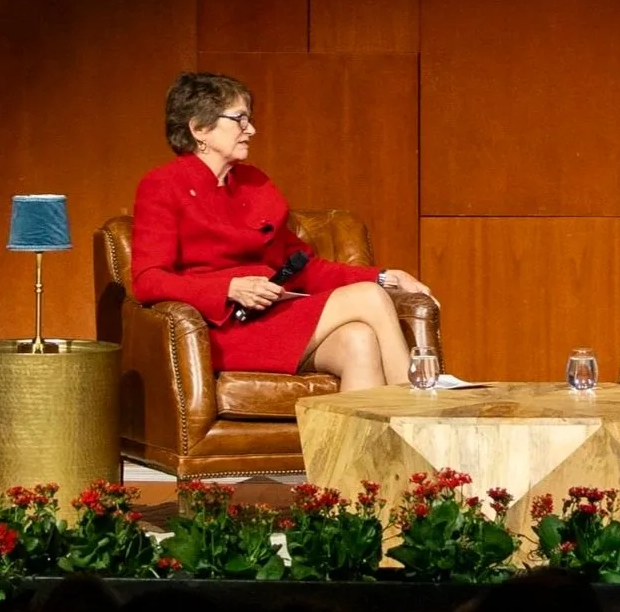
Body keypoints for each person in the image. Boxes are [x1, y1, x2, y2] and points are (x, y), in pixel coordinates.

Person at [130, 71, 430, 389]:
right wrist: (229, 288)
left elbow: (303, 267)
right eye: (240, 119)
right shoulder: (162, 185)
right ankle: (419, 413)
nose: (251, 130)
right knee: (369, 298)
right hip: (224, 327)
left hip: (273, 317)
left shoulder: (253, 183)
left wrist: (384, 276)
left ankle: (358, 440)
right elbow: (147, 280)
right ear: (199, 128)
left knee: (360, 340)